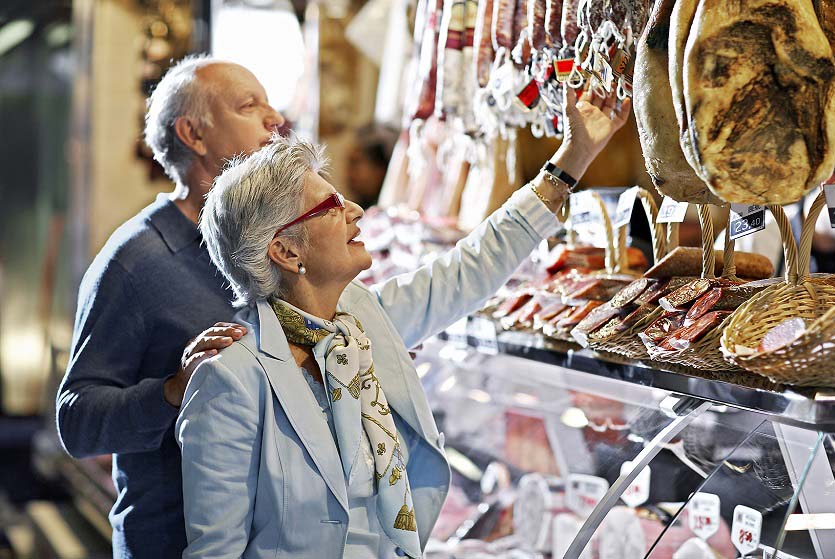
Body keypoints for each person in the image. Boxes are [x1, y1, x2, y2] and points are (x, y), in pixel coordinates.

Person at [176, 83, 629, 559]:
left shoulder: (362, 320)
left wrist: (572, 159)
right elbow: (214, 552)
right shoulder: (230, 378)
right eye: (330, 207)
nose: (354, 210)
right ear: (286, 251)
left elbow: (470, 268)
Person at [55, 55, 285, 558]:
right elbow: (76, 420)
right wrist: (173, 390)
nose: (276, 119)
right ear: (193, 135)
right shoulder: (135, 261)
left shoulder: (263, 247)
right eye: (250, 106)